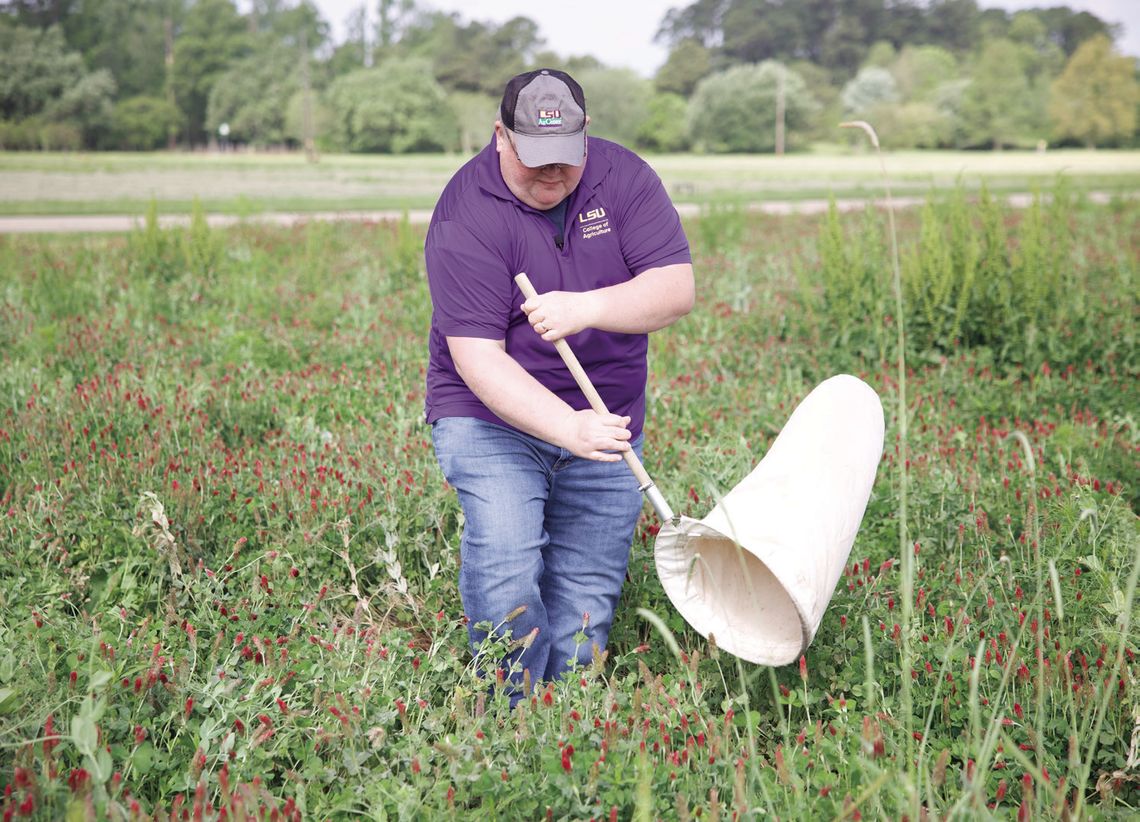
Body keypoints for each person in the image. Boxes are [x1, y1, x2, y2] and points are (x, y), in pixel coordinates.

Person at [424, 68, 694, 698]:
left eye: (565, 157)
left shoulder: (625, 180)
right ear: (500, 136)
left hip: (608, 415)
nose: (551, 173)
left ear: (586, 133)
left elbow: (675, 289)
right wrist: (567, 427)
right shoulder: (465, 213)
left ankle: (566, 716)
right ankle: (508, 713)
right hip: (491, 418)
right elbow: (478, 359)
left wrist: (586, 307)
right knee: (507, 560)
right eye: (534, 157)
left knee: (586, 590)